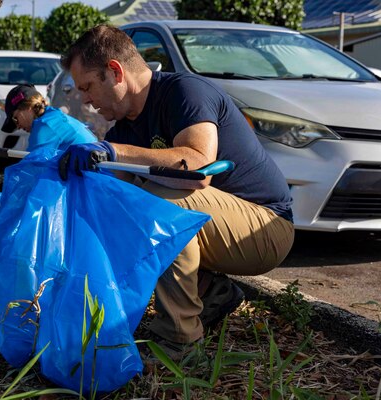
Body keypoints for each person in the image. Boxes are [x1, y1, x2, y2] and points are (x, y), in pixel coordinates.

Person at [58, 25, 294, 356]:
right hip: (219, 227)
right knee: (117, 203)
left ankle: (179, 341)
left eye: (87, 87)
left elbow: (197, 169)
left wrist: (113, 152)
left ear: (114, 72)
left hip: (265, 227)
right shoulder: (126, 128)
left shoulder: (184, 91)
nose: (85, 99)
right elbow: (111, 202)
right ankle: (212, 291)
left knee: (160, 205)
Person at [1, 84, 97, 152]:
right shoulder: (54, 116)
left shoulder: (45, 125)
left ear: (28, 108)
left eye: (15, 119)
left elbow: (33, 168)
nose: (18, 127)